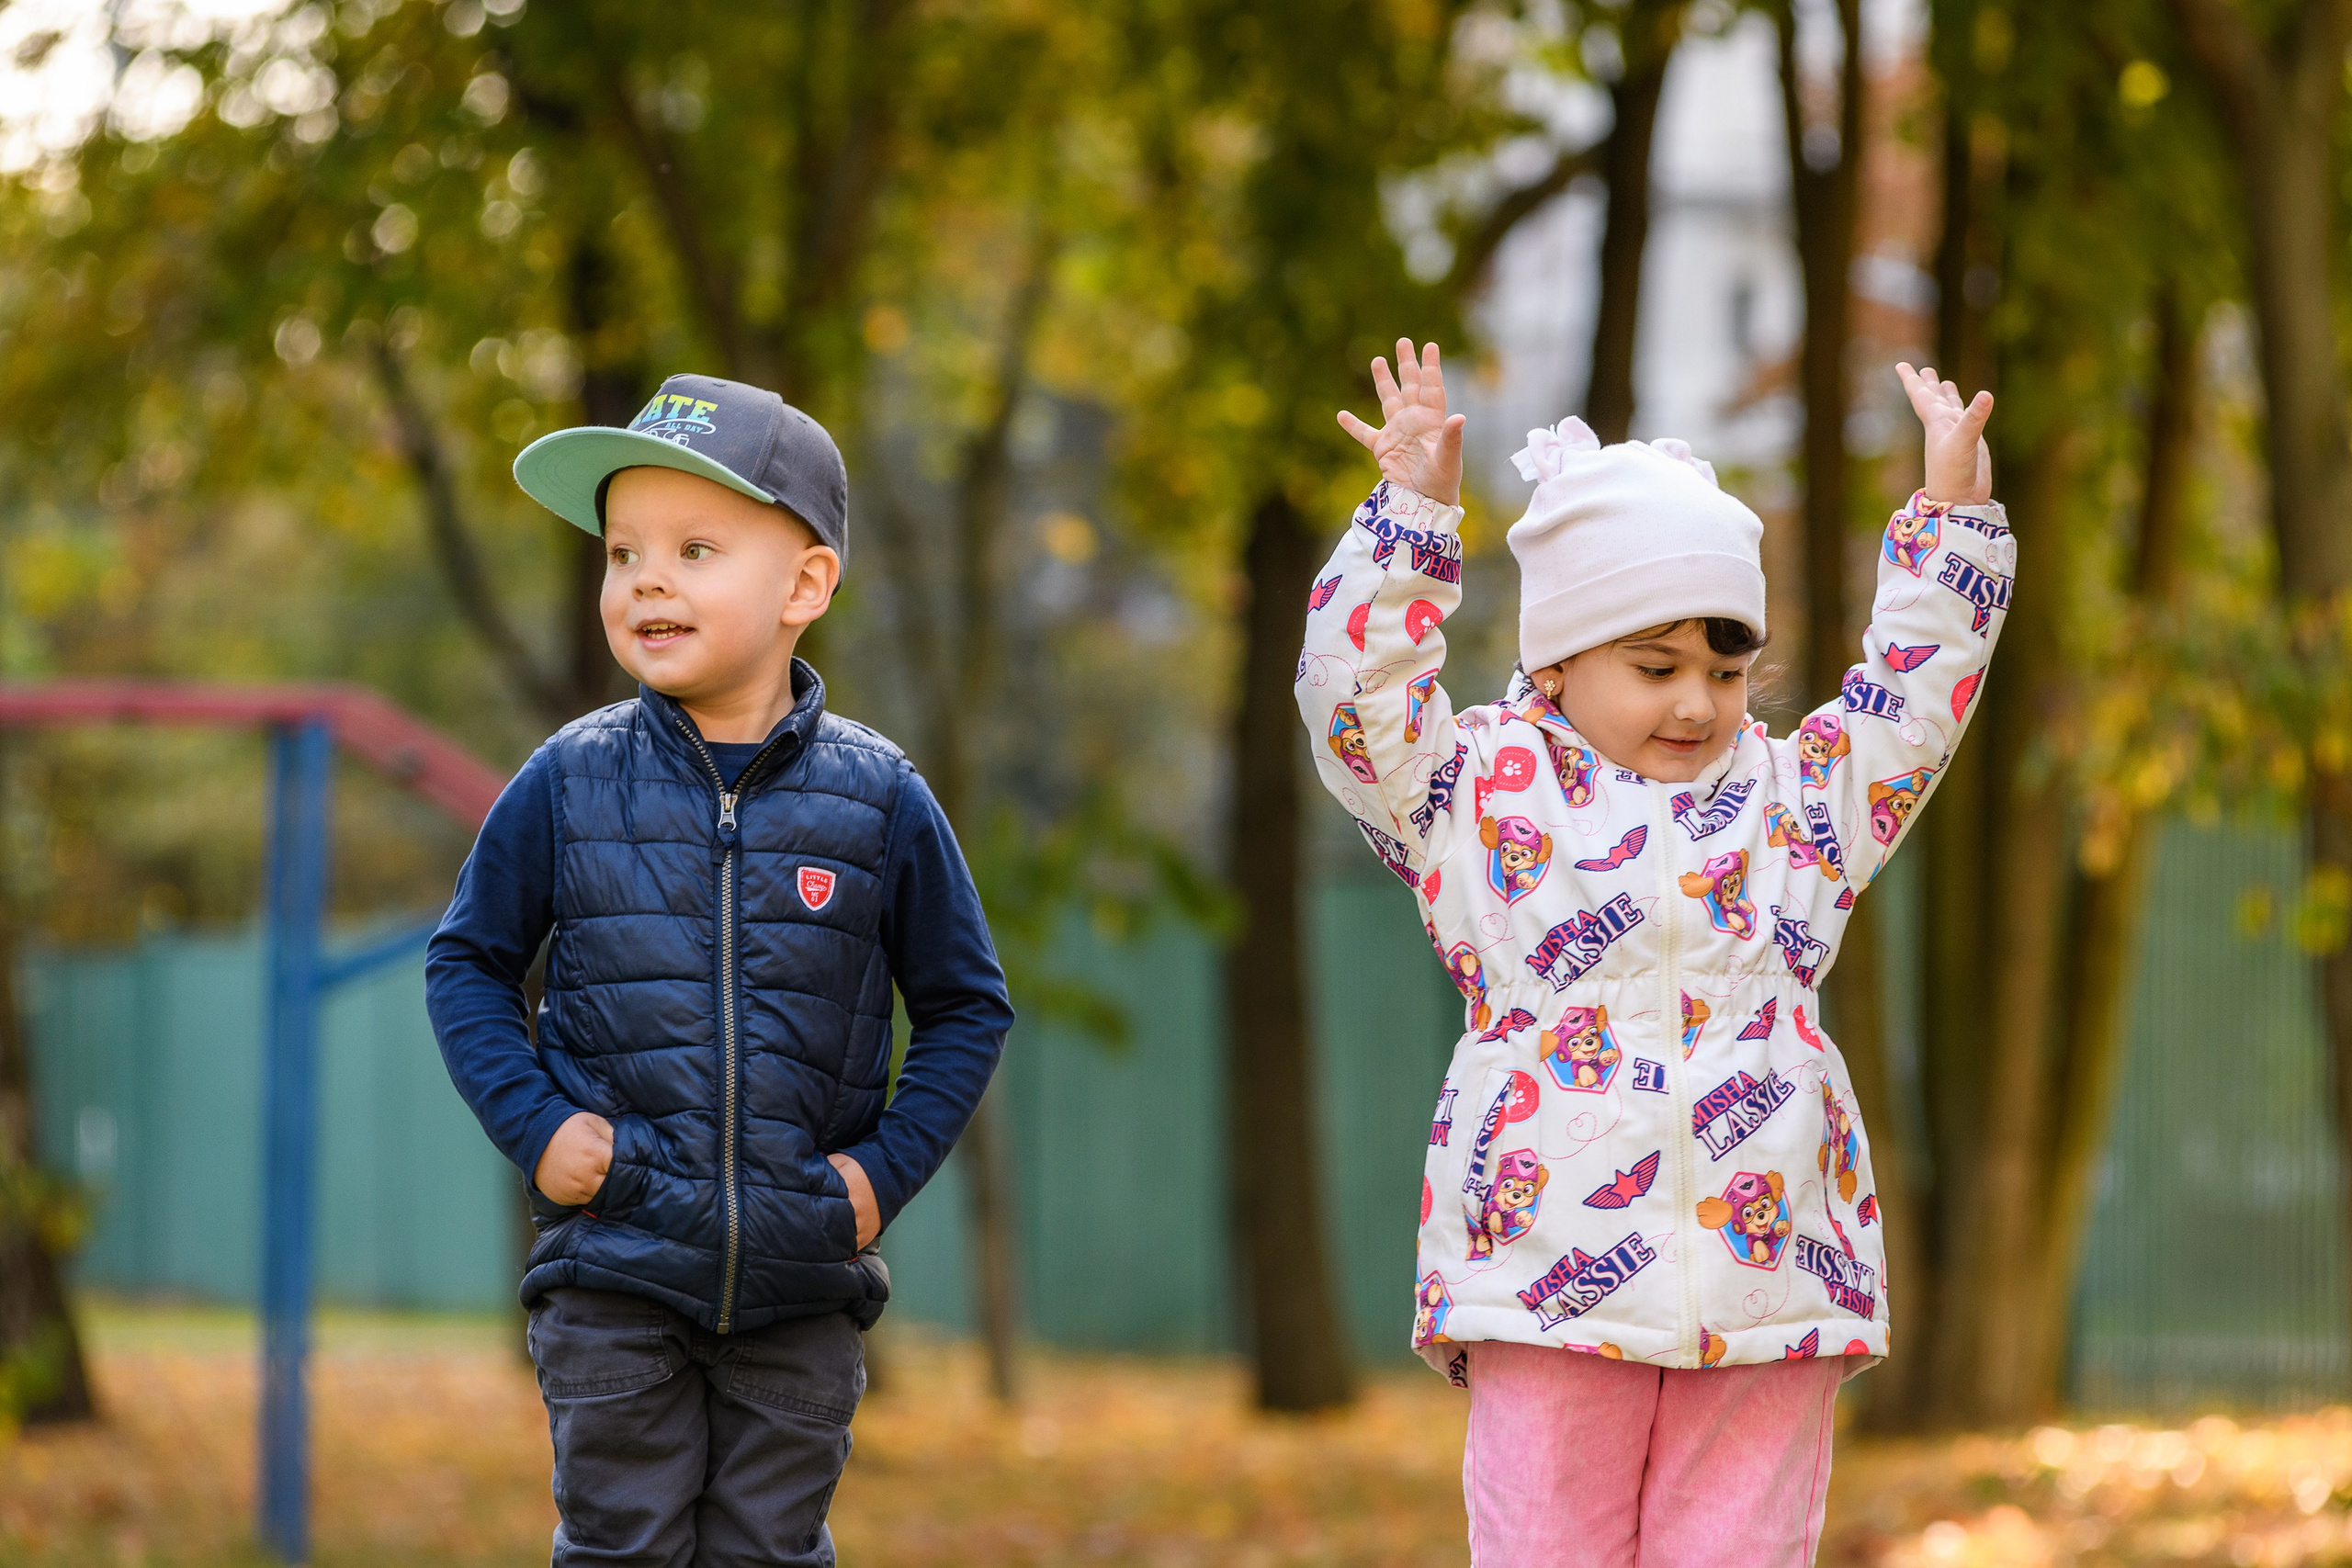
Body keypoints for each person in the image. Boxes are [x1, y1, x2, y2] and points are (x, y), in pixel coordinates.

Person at [1301, 341, 2004, 1564]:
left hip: (1769, 1275)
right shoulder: (1474, 794)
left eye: (1728, 672)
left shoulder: (1797, 804)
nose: (1697, 705)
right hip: (1546, 1273)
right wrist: (1410, 517)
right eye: (1656, 667)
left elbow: (1912, 709)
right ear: (1559, 660)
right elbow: (1354, 700)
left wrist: (1951, 527)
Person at [425, 373, 1014, 1568]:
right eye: (623, 551)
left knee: (765, 1552)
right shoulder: (568, 779)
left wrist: (876, 1177)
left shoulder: (880, 799)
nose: (646, 579)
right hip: (616, 1275)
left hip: (801, 1292)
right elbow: (468, 963)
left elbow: (965, 1006)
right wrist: (538, 1126)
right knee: (623, 1547)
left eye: (695, 548)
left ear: (805, 586)